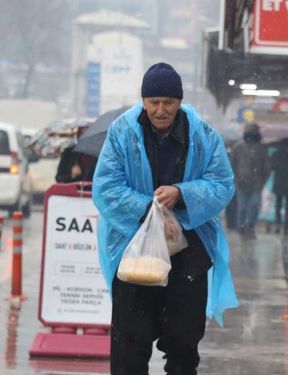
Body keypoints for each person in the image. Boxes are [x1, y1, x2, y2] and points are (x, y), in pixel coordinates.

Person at [92, 62, 238, 374]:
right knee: (130, 345)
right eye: (154, 102)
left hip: (189, 253)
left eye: (169, 102)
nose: (161, 110)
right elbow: (106, 187)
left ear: (180, 101)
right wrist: (150, 209)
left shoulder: (204, 135)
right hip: (135, 251)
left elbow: (222, 184)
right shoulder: (121, 133)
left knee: (184, 345)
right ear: (143, 101)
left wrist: (182, 194)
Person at [230, 123, 269, 239]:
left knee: (254, 206)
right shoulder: (238, 147)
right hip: (241, 183)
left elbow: (266, 166)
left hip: (256, 184)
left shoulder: (261, 148)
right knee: (242, 207)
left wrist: (262, 181)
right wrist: (236, 178)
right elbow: (232, 164)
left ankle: (250, 227)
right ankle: (241, 227)